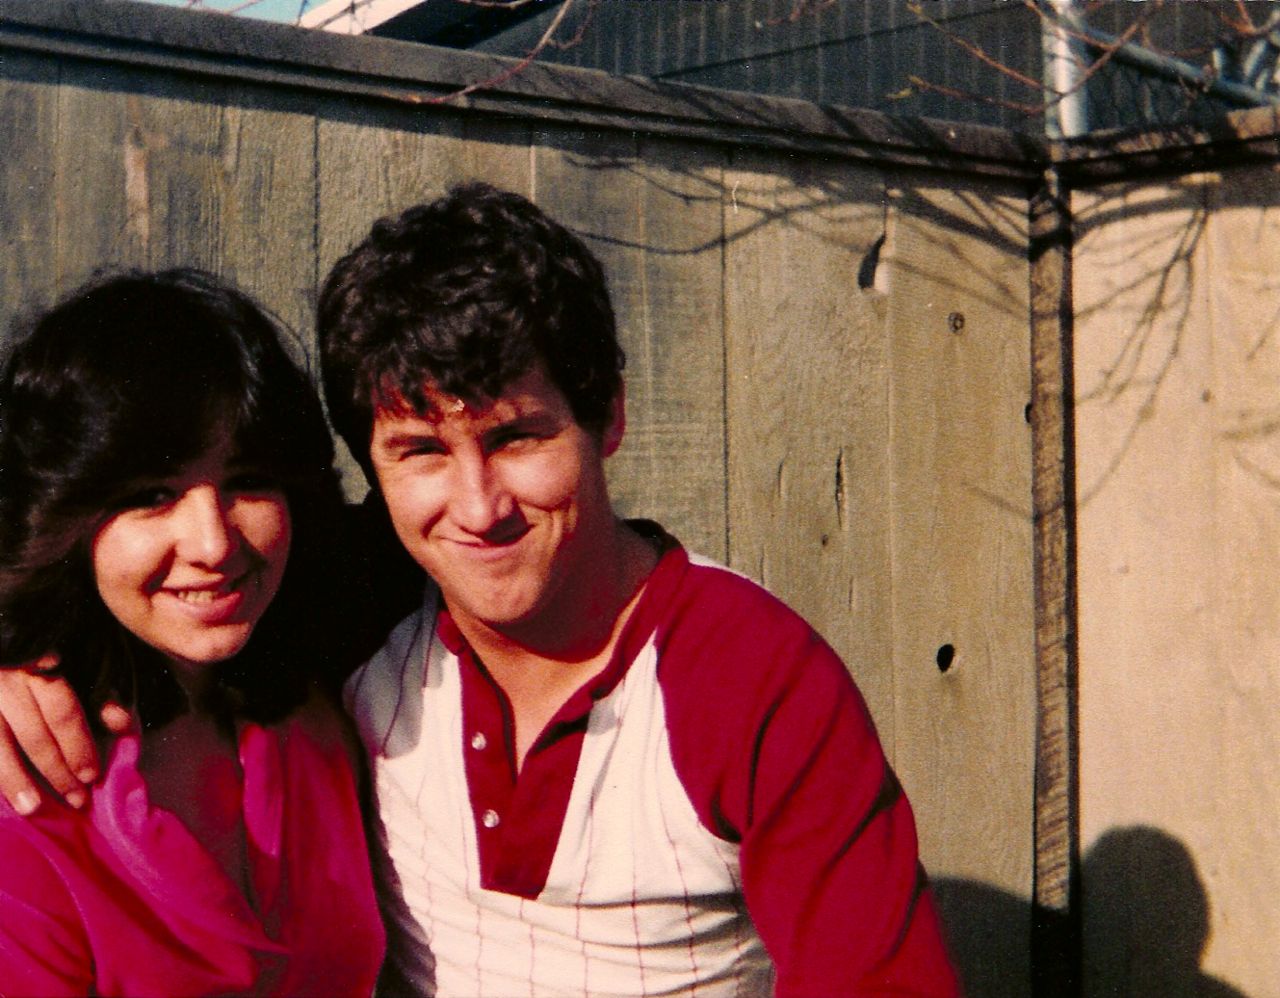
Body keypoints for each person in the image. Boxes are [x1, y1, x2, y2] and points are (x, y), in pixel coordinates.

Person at [0, 187, 960, 995]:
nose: (478, 508)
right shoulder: (359, 606)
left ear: (608, 416)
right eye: (420, 451)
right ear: (371, 468)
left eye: (516, 438)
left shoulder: (746, 677)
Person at [0, 270, 385, 995]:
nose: (213, 543)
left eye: (248, 480)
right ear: (61, 518)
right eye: (152, 495)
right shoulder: (23, 795)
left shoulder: (324, 698)